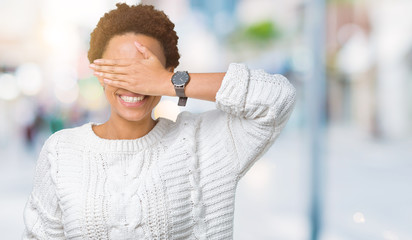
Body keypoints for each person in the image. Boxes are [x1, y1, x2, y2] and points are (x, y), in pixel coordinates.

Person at [22, 3, 296, 239]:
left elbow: (277, 98)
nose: (134, 84)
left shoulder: (206, 144)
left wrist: (168, 83)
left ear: (169, 74)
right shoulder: (61, 152)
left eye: (145, 72)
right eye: (121, 71)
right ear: (100, 73)